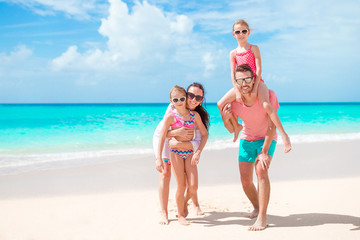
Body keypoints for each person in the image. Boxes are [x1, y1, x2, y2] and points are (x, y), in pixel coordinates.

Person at [217, 19, 292, 153]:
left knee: (266, 105)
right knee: (220, 103)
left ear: (249, 32)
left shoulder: (254, 48)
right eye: (237, 32)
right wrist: (237, 91)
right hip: (240, 84)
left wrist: (256, 86)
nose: (241, 34)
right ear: (233, 34)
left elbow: (258, 70)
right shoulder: (233, 53)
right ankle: (236, 127)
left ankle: (284, 135)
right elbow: (233, 73)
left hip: (257, 81)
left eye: (244, 31)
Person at [220, 64, 278, 231]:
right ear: (235, 82)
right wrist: (225, 119)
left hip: (266, 138)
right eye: (240, 80)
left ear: (254, 79)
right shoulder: (235, 102)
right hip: (246, 139)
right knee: (245, 181)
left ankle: (262, 217)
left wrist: (265, 152)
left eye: (247, 79)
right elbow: (232, 129)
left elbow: (272, 126)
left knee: (261, 171)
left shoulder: (268, 95)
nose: (244, 83)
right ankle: (257, 206)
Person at [154, 84, 208, 225]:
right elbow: (162, 135)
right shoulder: (171, 114)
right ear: (171, 101)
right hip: (170, 146)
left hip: (188, 151)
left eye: (182, 99)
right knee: (170, 177)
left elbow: (202, 135)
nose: (179, 102)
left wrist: (198, 152)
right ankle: (170, 213)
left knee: (193, 186)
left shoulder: (195, 115)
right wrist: (158, 158)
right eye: (175, 100)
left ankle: (186, 205)